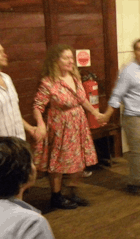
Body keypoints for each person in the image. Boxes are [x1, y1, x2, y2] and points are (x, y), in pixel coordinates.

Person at [32, 44, 105, 210]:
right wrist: (41, 124)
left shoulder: (75, 77)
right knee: (58, 162)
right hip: (60, 125)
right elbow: (38, 106)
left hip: (79, 123)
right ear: (55, 61)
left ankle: (72, 192)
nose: (70, 61)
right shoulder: (49, 82)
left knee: (80, 160)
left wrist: (96, 114)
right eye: (66, 58)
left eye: (71, 58)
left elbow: (82, 100)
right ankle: (56, 197)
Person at [100, 40, 140, 193]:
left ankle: (137, 178)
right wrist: (107, 114)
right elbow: (117, 94)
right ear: (135, 52)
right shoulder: (128, 71)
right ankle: (136, 181)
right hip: (134, 117)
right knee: (138, 150)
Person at [0, 43, 38, 140]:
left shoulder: (7, 78)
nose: (5, 55)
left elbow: (13, 112)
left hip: (19, 142)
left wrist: (29, 128)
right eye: (0, 53)